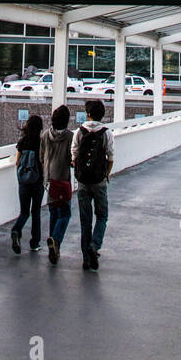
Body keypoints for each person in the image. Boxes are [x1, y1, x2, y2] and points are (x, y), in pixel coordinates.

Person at [72, 101, 113, 271]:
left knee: (85, 220)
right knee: (102, 216)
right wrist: (106, 175)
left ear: (88, 113)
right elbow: (110, 157)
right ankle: (94, 246)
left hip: (82, 181)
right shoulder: (106, 133)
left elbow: (73, 155)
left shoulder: (79, 132)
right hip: (99, 181)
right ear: (102, 114)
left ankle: (85, 259)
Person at [40, 105, 74, 265]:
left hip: (50, 180)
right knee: (65, 213)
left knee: (54, 213)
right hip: (63, 179)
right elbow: (72, 159)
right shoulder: (70, 136)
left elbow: (41, 157)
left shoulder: (46, 135)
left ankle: (53, 249)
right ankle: (56, 240)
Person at [11, 114, 45, 254]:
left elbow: (17, 162)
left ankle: (16, 230)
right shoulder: (41, 142)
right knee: (36, 212)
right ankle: (34, 243)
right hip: (37, 182)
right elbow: (42, 163)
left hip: (23, 182)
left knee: (24, 212)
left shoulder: (22, 141)